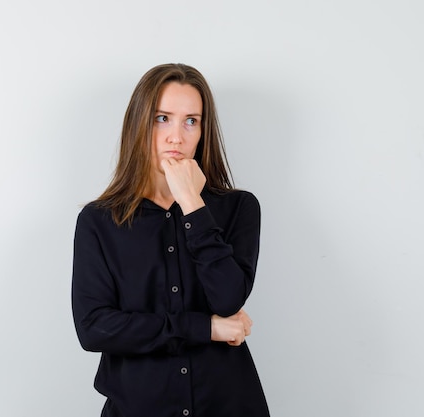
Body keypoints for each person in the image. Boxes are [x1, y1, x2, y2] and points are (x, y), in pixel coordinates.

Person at [71, 63, 269, 417]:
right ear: (139, 124)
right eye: (162, 118)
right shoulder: (98, 222)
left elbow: (227, 298)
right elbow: (95, 329)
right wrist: (204, 328)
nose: (176, 136)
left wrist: (193, 204)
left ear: (203, 131)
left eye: (191, 121)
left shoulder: (239, 208)